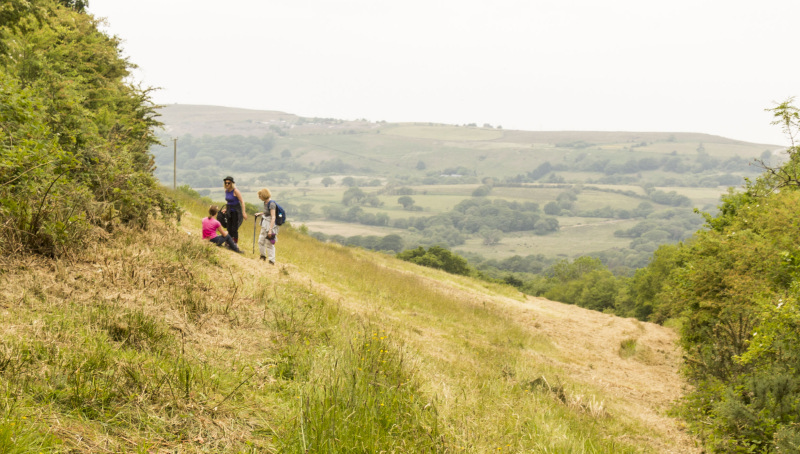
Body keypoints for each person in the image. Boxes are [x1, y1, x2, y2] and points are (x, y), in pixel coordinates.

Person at [254, 188, 278, 264]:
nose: (259, 197)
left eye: (260, 196)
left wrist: (270, 230)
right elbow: (267, 213)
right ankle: (263, 256)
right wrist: (260, 214)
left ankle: (271, 260)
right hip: (264, 224)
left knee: (269, 243)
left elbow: (273, 217)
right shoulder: (265, 203)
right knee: (260, 241)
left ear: (264, 195)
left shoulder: (271, 204)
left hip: (270, 226)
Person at [222, 176, 247, 243]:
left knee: (234, 228)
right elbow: (228, 202)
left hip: (236, 211)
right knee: (228, 227)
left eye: (228, 183)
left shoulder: (235, 191)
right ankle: (228, 242)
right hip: (229, 211)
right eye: (226, 183)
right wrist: (226, 209)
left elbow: (242, 202)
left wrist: (243, 212)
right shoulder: (226, 191)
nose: (227, 184)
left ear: (232, 183)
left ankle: (234, 243)